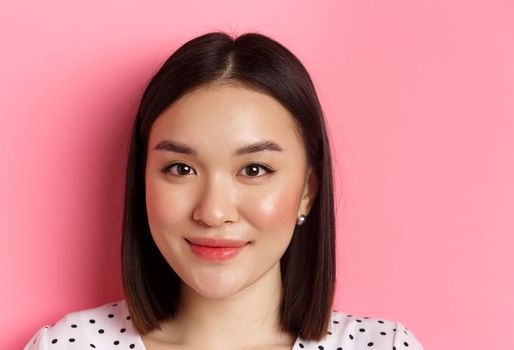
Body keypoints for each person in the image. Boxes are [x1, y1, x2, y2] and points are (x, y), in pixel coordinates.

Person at [24, 31, 423, 350]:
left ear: (307, 191)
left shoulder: (383, 346)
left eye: (254, 169)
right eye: (181, 169)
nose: (213, 213)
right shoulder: (68, 345)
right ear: (143, 180)